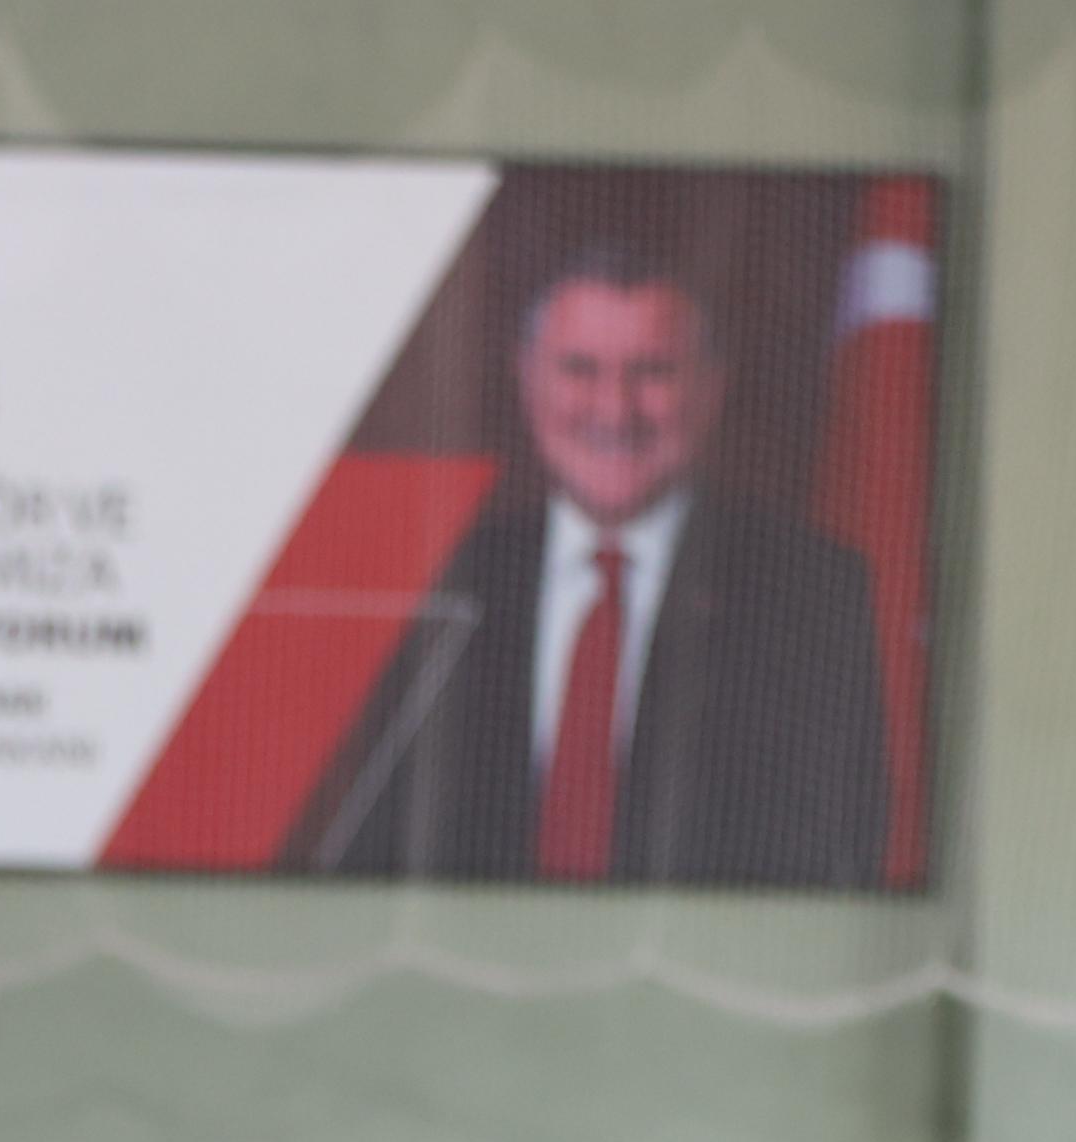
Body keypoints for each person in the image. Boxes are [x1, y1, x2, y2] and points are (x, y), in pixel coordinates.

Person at [280, 243, 887, 891]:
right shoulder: (441, 578)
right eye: (579, 369)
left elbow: (830, 859)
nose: (614, 409)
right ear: (527, 378)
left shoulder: (808, 593)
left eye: (652, 372)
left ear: (711, 388)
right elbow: (369, 850)